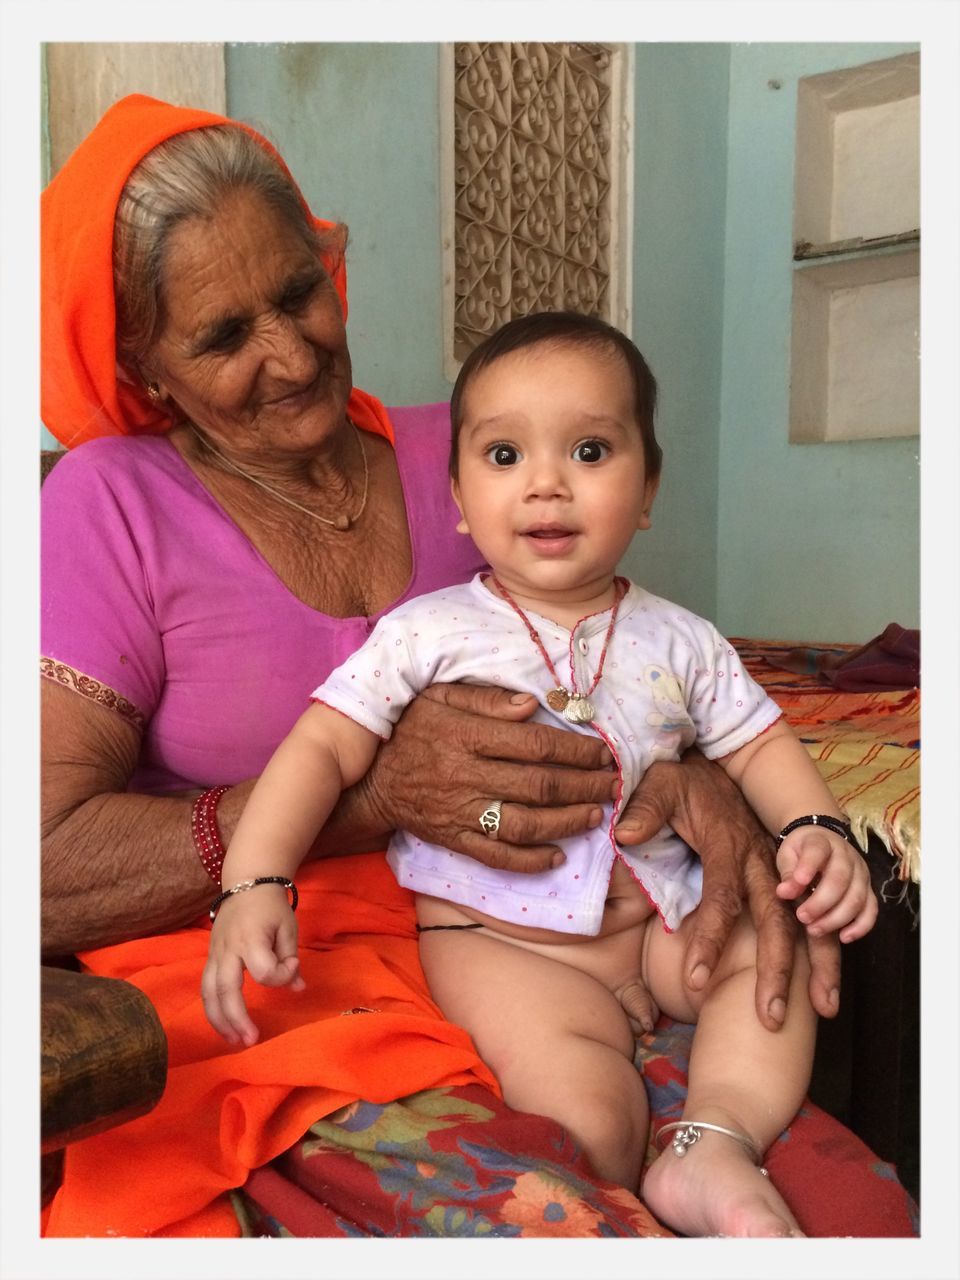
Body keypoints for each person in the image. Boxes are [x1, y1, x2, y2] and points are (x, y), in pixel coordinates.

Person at [41, 94, 842, 1239]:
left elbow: (639, 663)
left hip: (597, 907)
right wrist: (367, 803)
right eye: (222, 336)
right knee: (555, 1201)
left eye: (299, 292)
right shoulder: (109, 502)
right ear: (147, 363)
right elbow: (39, 863)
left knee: (835, 1187)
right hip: (301, 968)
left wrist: (702, 777)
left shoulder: (475, 450)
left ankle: (718, 1145)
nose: (290, 350)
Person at [201, 312, 878, 1238]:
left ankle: (716, 1142)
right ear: (456, 496)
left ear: (648, 490)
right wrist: (256, 881)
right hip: (504, 949)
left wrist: (818, 831)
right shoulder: (426, 635)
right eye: (506, 454)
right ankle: (613, 1187)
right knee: (594, 1120)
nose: (548, 483)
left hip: (658, 925)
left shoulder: (682, 638)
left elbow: (759, 746)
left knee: (777, 950)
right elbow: (321, 750)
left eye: (591, 449)